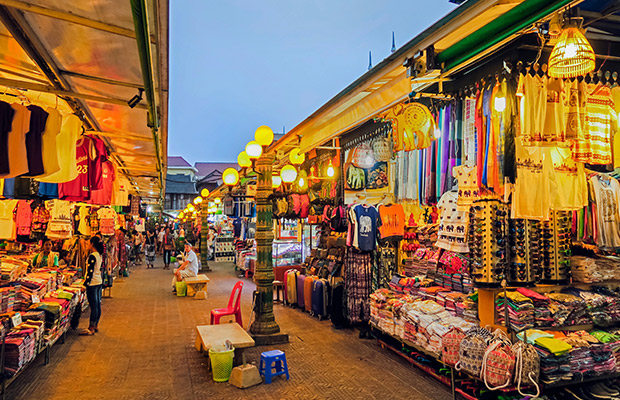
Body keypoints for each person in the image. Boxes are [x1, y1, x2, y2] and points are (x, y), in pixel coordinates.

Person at [80, 236, 104, 335]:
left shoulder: (92, 256)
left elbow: (90, 272)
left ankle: (91, 328)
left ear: (92, 244)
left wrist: (85, 284)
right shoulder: (99, 255)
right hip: (98, 282)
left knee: (94, 306)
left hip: (93, 283)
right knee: (97, 305)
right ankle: (96, 325)